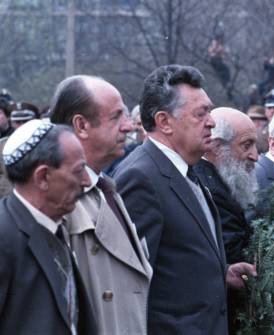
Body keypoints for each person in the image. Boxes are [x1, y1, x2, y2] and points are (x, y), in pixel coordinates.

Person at [113, 64, 256, 334]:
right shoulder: (140, 178)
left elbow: (175, 261)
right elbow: (132, 287)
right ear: (164, 121)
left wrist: (221, 273)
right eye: (201, 114)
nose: (212, 122)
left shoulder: (188, 169)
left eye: (210, 112)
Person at [50, 75, 152, 335]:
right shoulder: (58, 201)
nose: (129, 127)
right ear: (81, 125)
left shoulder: (107, 189)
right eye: (117, 116)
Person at [0, 120, 96, 334]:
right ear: (43, 177)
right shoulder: (5, 237)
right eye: (79, 170)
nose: (87, 181)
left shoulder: (55, 224)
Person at [195, 107, 258, 263]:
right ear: (217, 147)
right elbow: (236, 259)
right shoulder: (214, 192)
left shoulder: (216, 180)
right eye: (246, 145)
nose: (255, 156)